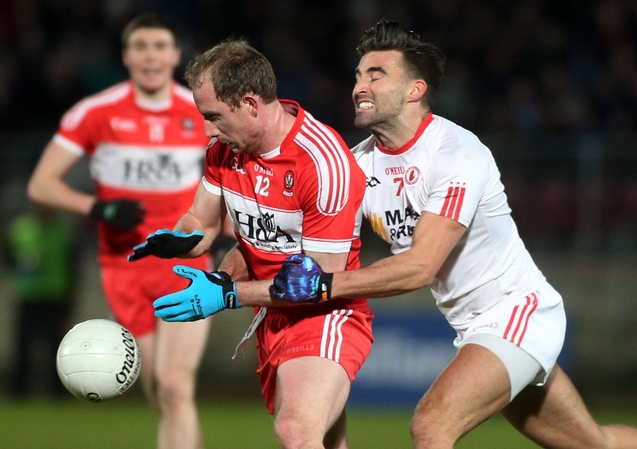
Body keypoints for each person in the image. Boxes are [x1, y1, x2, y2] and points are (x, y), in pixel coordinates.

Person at [270, 20, 637, 449]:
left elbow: (421, 267)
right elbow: (301, 233)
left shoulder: (458, 153)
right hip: (476, 331)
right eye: (357, 76)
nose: (359, 86)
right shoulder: (355, 166)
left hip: (519, 314)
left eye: (376, 74)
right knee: (595, 445)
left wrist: (323, 285)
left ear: (415, 90)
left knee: (431, 424)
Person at [130, 39, 373, 449]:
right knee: (327, 441)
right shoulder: (224, 151)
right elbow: (204, 224)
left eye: (214, 117)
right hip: (270, 315)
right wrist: (182, 238)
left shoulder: (323, 164)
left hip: (326, 314)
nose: (207, 130)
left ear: (250, 103)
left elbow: (315, 285)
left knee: (296, 431)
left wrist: (226, 294)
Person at [27, 13, 214, 449]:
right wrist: (98, 207)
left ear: (174, 54)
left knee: (173, 386)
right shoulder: (96, 112)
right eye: (141, 47)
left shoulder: (199, 111)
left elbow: (228, 179)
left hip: (183, 263)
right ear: (127, 55)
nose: (151, 56)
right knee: (156, 389)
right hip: (123, 266)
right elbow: (41, 184)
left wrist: (214, 228)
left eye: (160, 46)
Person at [5, 204, 78, 397]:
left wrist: (70, 299)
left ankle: (58, 392)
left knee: (57, 349)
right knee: (23, 348)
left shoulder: (62, 232)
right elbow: (9, 259)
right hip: (27, 296)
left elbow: (73, 265)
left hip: (55, 296)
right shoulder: (19, 229)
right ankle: (19, 392)